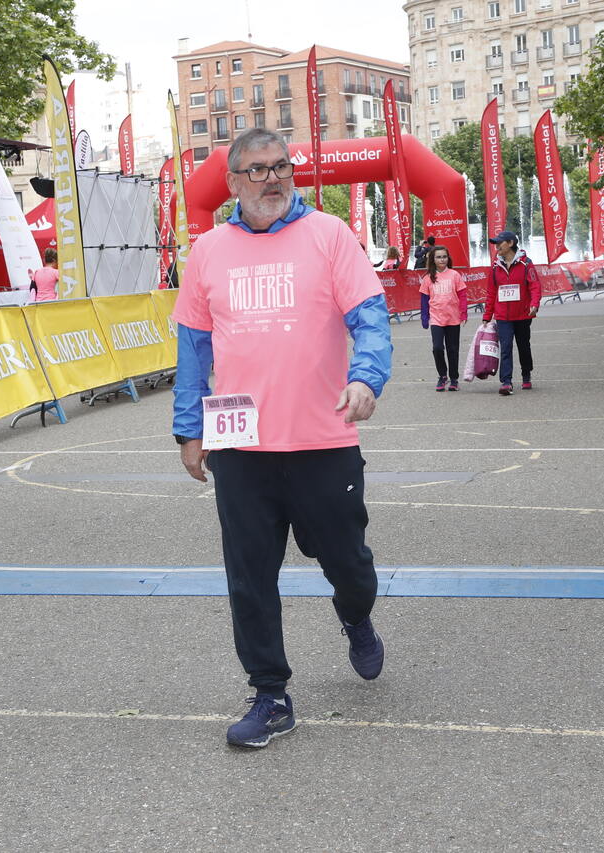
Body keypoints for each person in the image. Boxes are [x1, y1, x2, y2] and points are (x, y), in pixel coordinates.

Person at [171, 128, 392, 749]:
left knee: (349, 565)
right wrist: (188, 429)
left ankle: (356, 614)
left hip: (324, 439)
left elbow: (369, 318)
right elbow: (192, 347)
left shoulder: (329, 235)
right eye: (259, 170)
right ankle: (270, 693)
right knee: (249, 577)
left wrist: (366, 377)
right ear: (233, 183)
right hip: (241, 445)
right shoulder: (208, 250)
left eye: (282, 166)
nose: (274, 178)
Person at [483, 230, 541, 395]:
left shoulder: (526, 263)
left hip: (523, 314)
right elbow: (491, 292)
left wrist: (534, 304)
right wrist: (487, 316)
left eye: (499, 243)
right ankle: (506, 382)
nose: (496, 246)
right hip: (503, 316)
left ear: (510, 243)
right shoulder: (495, 266)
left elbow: (535, 286)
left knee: (523, 346)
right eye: (495, 243)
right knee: (505, 347)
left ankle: (526, 374)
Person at [419, 244, 467, 391]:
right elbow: (424, 299)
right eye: (439, 257)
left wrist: (463, 313)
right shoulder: (428, 278)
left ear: (448, 258)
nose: (442, 259)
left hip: (453, 318)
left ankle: (454, 378)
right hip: (436, 319)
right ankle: (442, 375)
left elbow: (462, 296)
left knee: (453, 349)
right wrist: (424, 317)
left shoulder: (454, 275)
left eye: (444, 256)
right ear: (433, 259)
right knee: (437, 348)